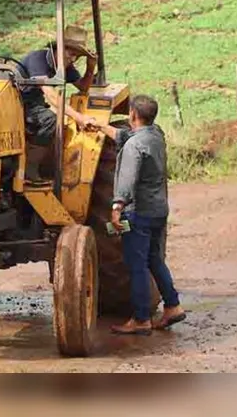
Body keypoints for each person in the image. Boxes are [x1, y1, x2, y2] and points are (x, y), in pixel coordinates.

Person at [87, 94, 185, 335]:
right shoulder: (155, 136)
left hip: (138, 213)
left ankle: (141, 319)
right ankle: (173, 306)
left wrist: (116, 208)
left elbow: (127, 180)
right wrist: (99, 125)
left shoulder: (133, 147)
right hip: (158, 211)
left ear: (132, 115)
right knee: (154, 259)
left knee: (136, 265)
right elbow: (124, 136)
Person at [19, 26, 96, 180]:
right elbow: (51, 95)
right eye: (71, 54)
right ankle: (29, 167)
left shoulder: (65, 66)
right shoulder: (38, 59)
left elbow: (83, 87)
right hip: (18, 102)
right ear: (59, 48)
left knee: (54, 121)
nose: (73, 59)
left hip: (35, 105)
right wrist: (78, 117)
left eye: (78, 56)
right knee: (51, 120)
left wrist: (90, 67)